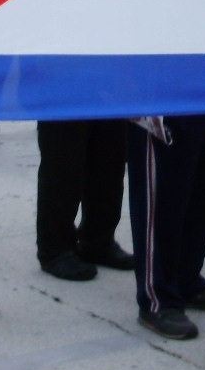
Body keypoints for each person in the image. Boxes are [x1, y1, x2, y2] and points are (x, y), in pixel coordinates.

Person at [127, 114, 205, 340]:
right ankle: (157, 297)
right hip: (159, 98)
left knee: (202, 193)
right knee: (159, 198)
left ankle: (186, 280)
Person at [36, 118, 133, 280]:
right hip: (63, 98)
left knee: (110, 155)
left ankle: (99, 241)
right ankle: (55, 248)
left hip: (110, 96)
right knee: (63, 160)